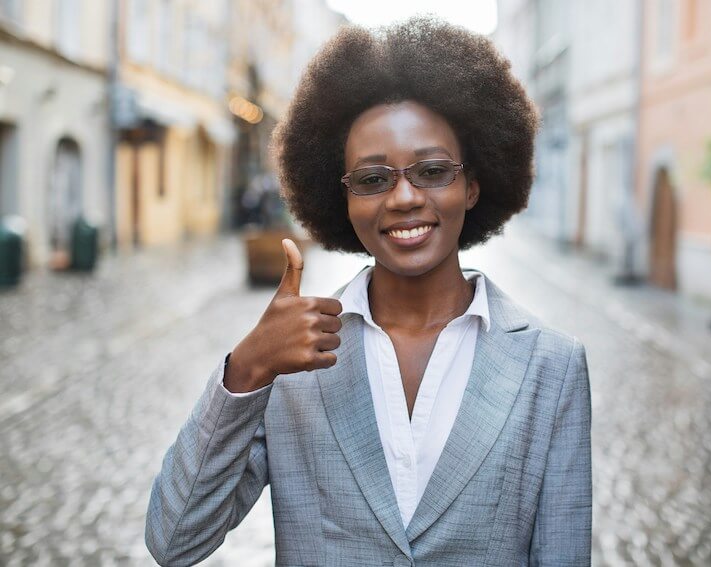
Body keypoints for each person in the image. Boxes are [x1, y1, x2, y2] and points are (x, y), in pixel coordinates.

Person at [146, 17, 591, 566]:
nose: (403, 197)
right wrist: (246, 369)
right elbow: (174, 540)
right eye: (373, 179)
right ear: (343, 199)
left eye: (431, 170)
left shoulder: (552, 366)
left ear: (473, 186)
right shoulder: (290, 360)